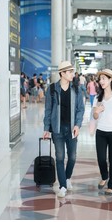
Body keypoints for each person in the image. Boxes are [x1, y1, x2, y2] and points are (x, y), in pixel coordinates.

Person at [42, 61, 85, 198]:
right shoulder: (52, 89)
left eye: (72, 71)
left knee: (72, 157)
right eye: (70, 71)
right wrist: (46, 128)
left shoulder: (76, 89)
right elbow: (48, 109)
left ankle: (67, 178)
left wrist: (78, 125)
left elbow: (80, 109)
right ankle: (62, 186)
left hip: (72, 128)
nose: (73, 74)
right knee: (60, 157)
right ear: (62, 73)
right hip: (57, 129)